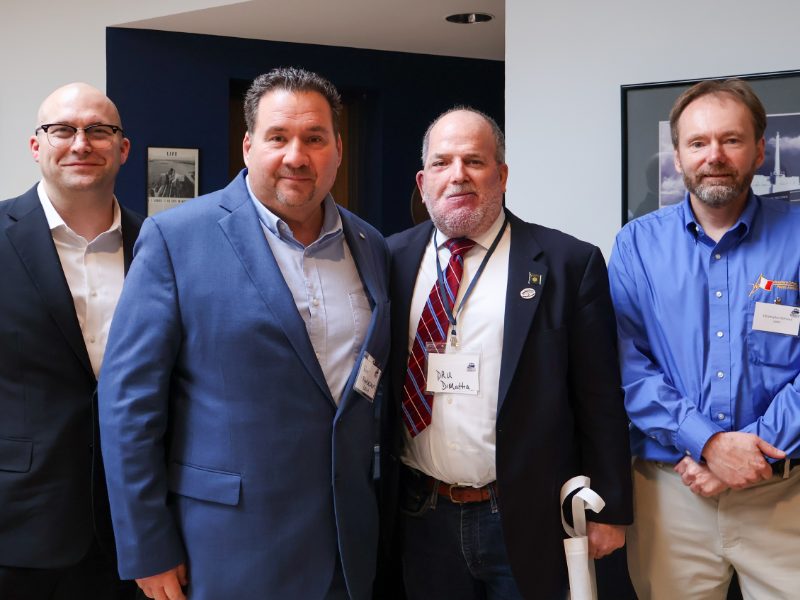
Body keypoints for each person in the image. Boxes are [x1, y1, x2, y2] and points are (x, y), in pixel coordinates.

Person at [98, 67, 390, 600]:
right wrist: (147, 545)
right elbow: (128, 406)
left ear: (338, 150)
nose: (296, 156)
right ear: (248, 145)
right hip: (225, 547)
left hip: (346, 549)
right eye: (278, 137)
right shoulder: (176, 238)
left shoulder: (370, 245)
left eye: (315, 139)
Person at [380, 107, 632, 599]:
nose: (458, 175)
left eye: (474, 161)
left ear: (502, 175)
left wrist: (610, 507)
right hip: (420, 516)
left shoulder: (567, 263)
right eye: (442, 162)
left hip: (526, 515)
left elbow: (600, 396)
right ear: (423, 182)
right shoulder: (389, 258)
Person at [609, 79, 800, 599]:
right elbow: (628, 366)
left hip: (784, 494)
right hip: (672, 494)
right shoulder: (636, 246)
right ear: (677, 155)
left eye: (731, 140)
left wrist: (751, 457)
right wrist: (710, 445)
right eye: (698, 142)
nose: (714, 155)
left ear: (759, 150)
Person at [0, 83, 141, 599]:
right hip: (16, 525)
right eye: (63, 129)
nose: (81, 143)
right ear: (36, 145)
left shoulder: (158, 246)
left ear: (122, 149)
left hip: (130, 531)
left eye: (98, 130)